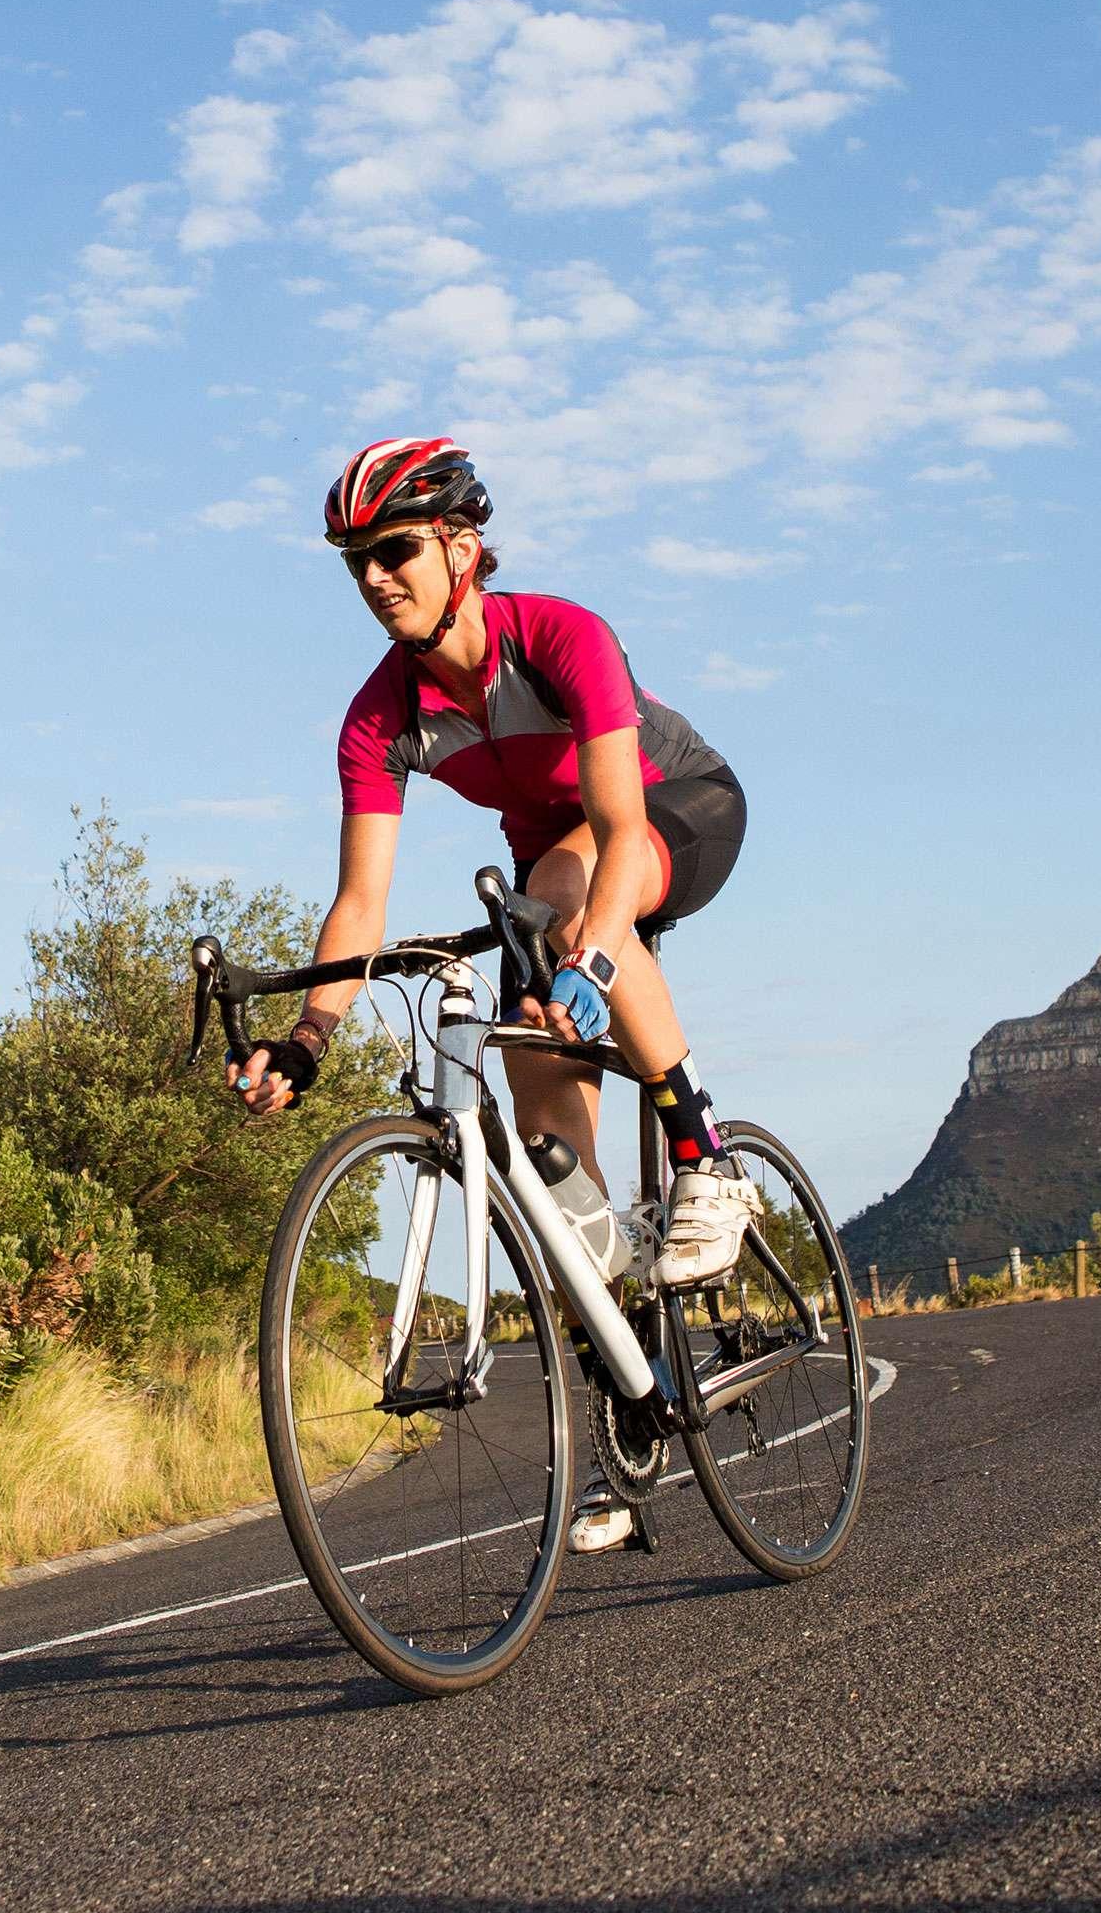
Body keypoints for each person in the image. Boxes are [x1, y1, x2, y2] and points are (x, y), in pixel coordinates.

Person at [229, 435, 753, 1553]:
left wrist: (597, 959)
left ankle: (709, 1161)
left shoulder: (559, 635)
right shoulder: (379, 719)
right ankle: (633, 1388)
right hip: (548, 876)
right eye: (355, 559)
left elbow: (615, 833)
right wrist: (309, 1036)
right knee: (551, 1162)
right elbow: (359, 904)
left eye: (396, 548)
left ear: (463, 547)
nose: (374, 576)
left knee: (566, 903)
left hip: (673, 813)